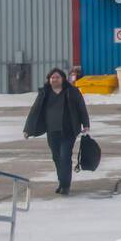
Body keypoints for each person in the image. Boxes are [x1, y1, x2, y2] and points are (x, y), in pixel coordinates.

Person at [23, 67, 90, 195]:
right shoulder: (45, 93)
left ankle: (66, 185)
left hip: (68, 131)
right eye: (52, 77)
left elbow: (81, 107)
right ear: (49, 80)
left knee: (65, 156)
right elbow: (35, 111)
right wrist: (28, 129)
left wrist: (85, 124)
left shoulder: (72, 91)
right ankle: (62, 182)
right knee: (56, 157)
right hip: (52, 131)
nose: (54, 79)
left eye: (57, 77)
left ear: (63, 79)